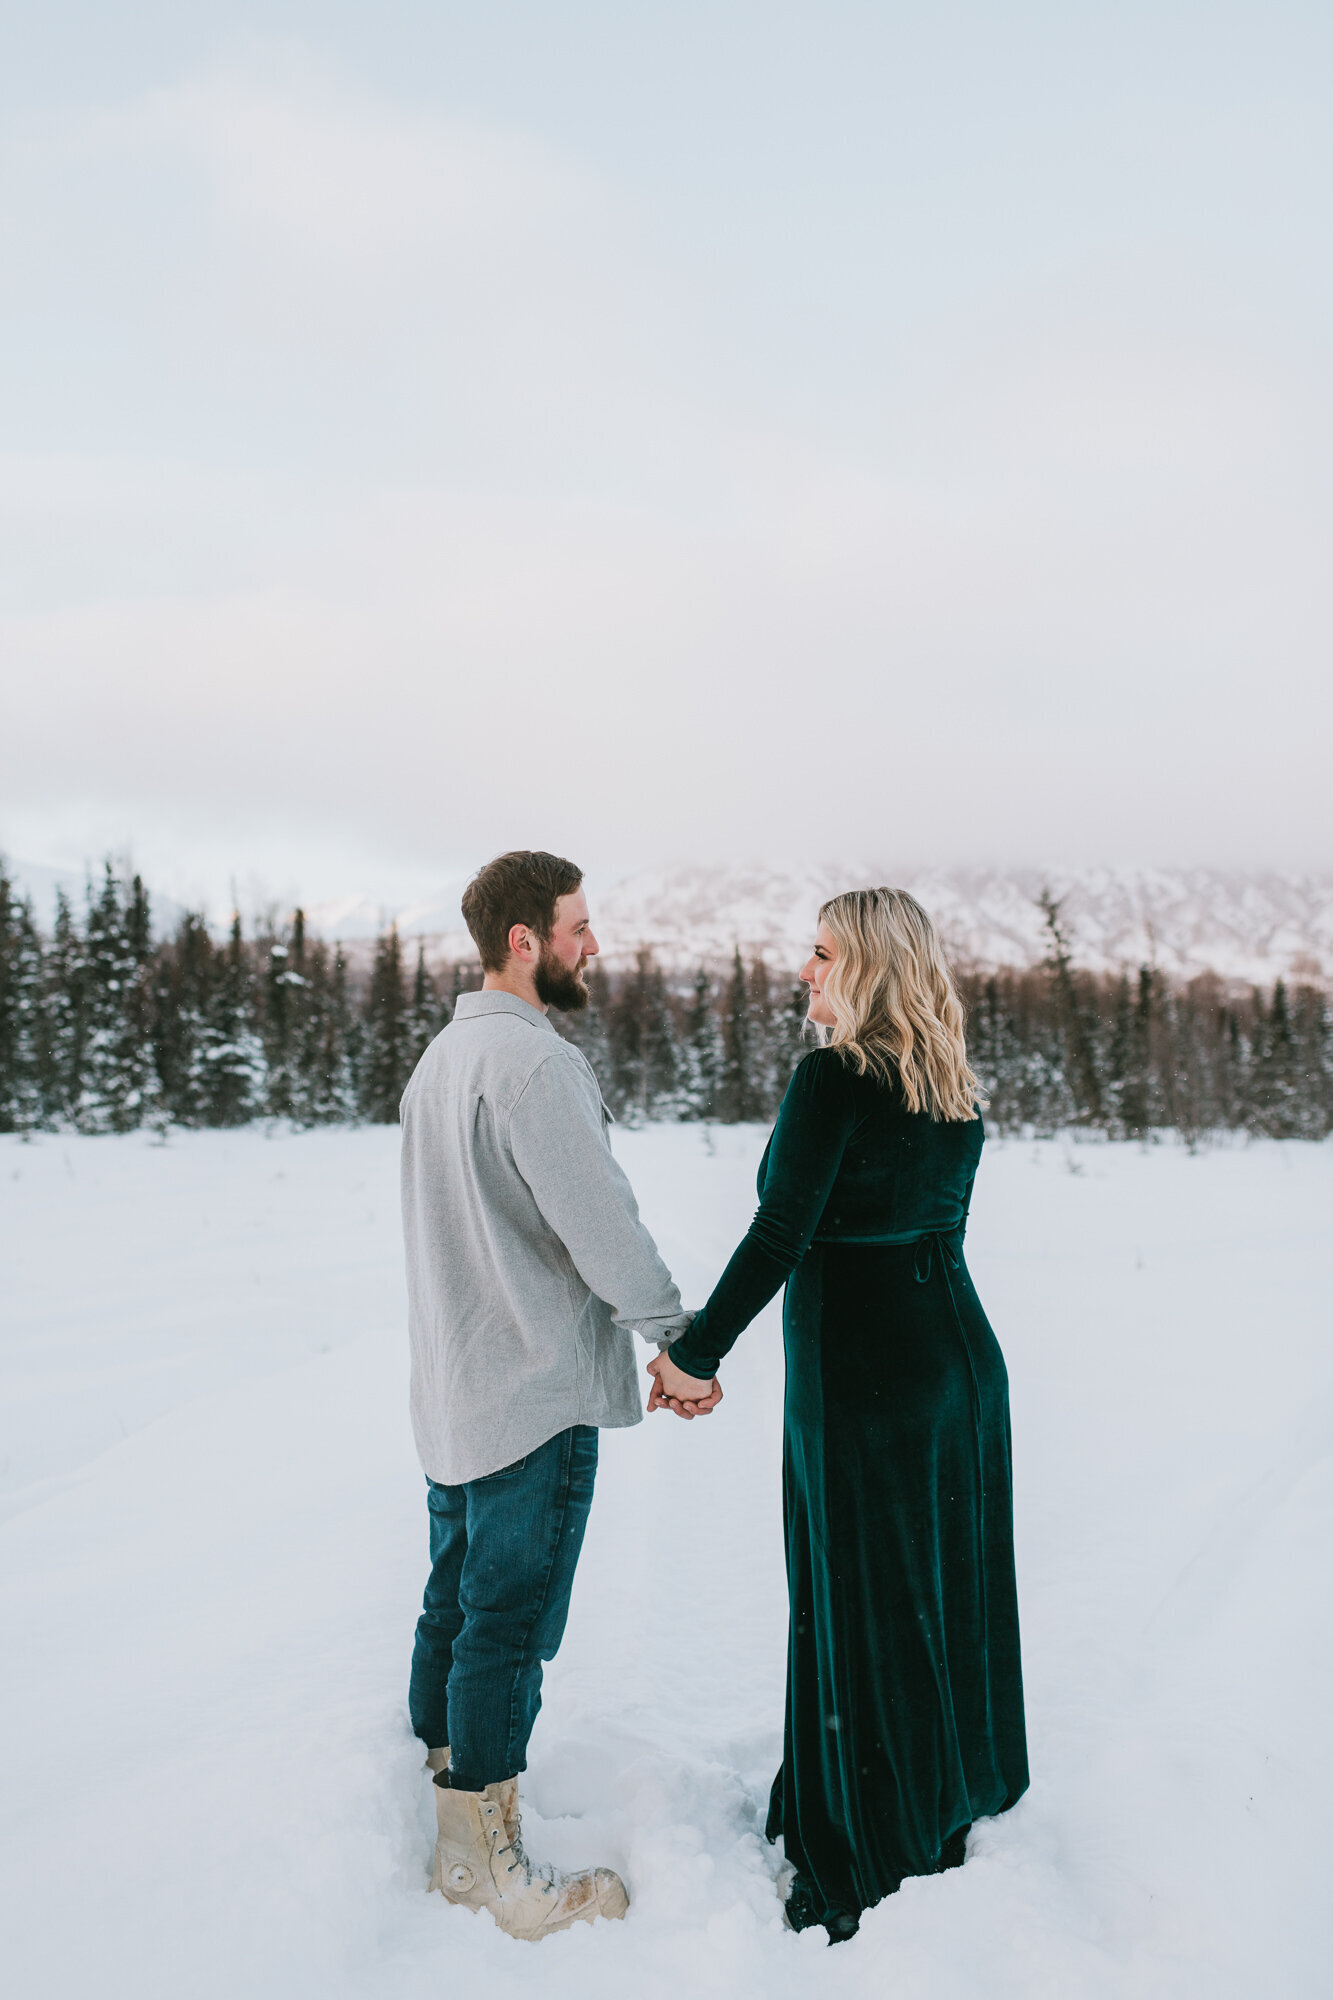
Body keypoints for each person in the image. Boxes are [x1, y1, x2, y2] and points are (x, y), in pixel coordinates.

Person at [649, 888, 1029, 1942]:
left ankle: (868, 1839)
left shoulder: (834, 1076)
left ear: (865, 965)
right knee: (935, 1595)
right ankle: (942, 1792)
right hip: (955, 1368)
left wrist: (691, 1353)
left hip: (863, 1379)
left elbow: (780, 1235)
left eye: (821, 954)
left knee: (861, 1599)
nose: (804, 972)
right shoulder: (949, 1086)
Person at [400, 850, 720, 1941]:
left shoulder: (442, 1059)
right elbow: (601, 1226)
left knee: (457, 1600)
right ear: (525, 939)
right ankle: (483, 1865)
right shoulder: (531, 1068)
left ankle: (449, 1796)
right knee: (509, 1620)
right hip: (528, 1388)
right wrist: (681, 1338)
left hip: (455, 1389)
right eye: (578, 927)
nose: (593, 944)